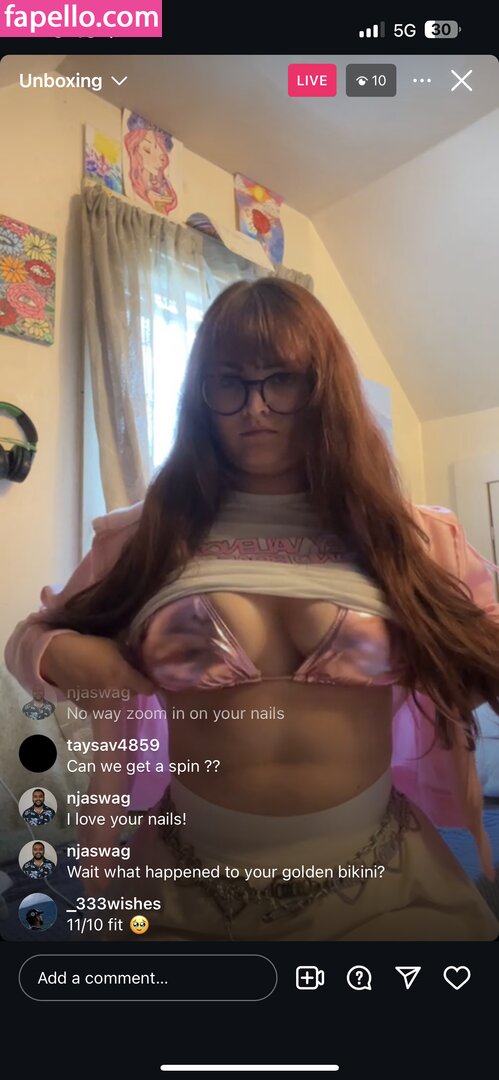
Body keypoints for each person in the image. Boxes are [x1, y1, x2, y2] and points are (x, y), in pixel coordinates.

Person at [5, 278, 499, 942]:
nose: (254, 407)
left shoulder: (408, 538)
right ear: (201, 396)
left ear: (322, 389)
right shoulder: (149, 534)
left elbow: (484, 636)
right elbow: (28, 640)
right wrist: (69, 657)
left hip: (382, 883)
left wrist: (462, 670)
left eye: (281, 380)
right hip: (182, 883)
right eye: (229, 383)